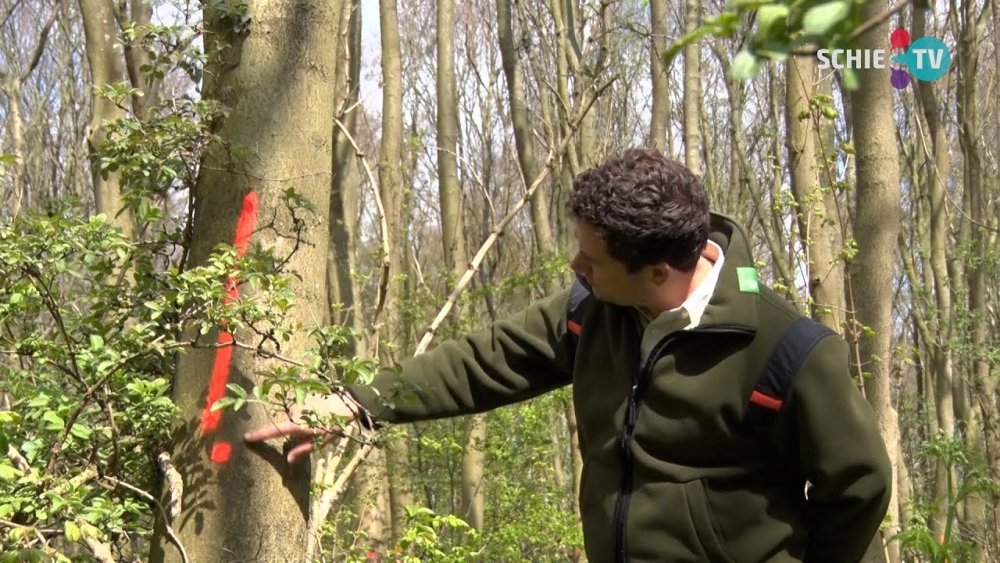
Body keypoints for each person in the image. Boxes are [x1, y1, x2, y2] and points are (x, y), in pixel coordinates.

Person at [245, 149, 893, 563]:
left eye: (593, 259)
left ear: (659, 269)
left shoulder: (789, 352)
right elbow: (486, 358)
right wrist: (359, 403)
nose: (574, 266)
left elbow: (860, 484)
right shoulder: (594, 310)